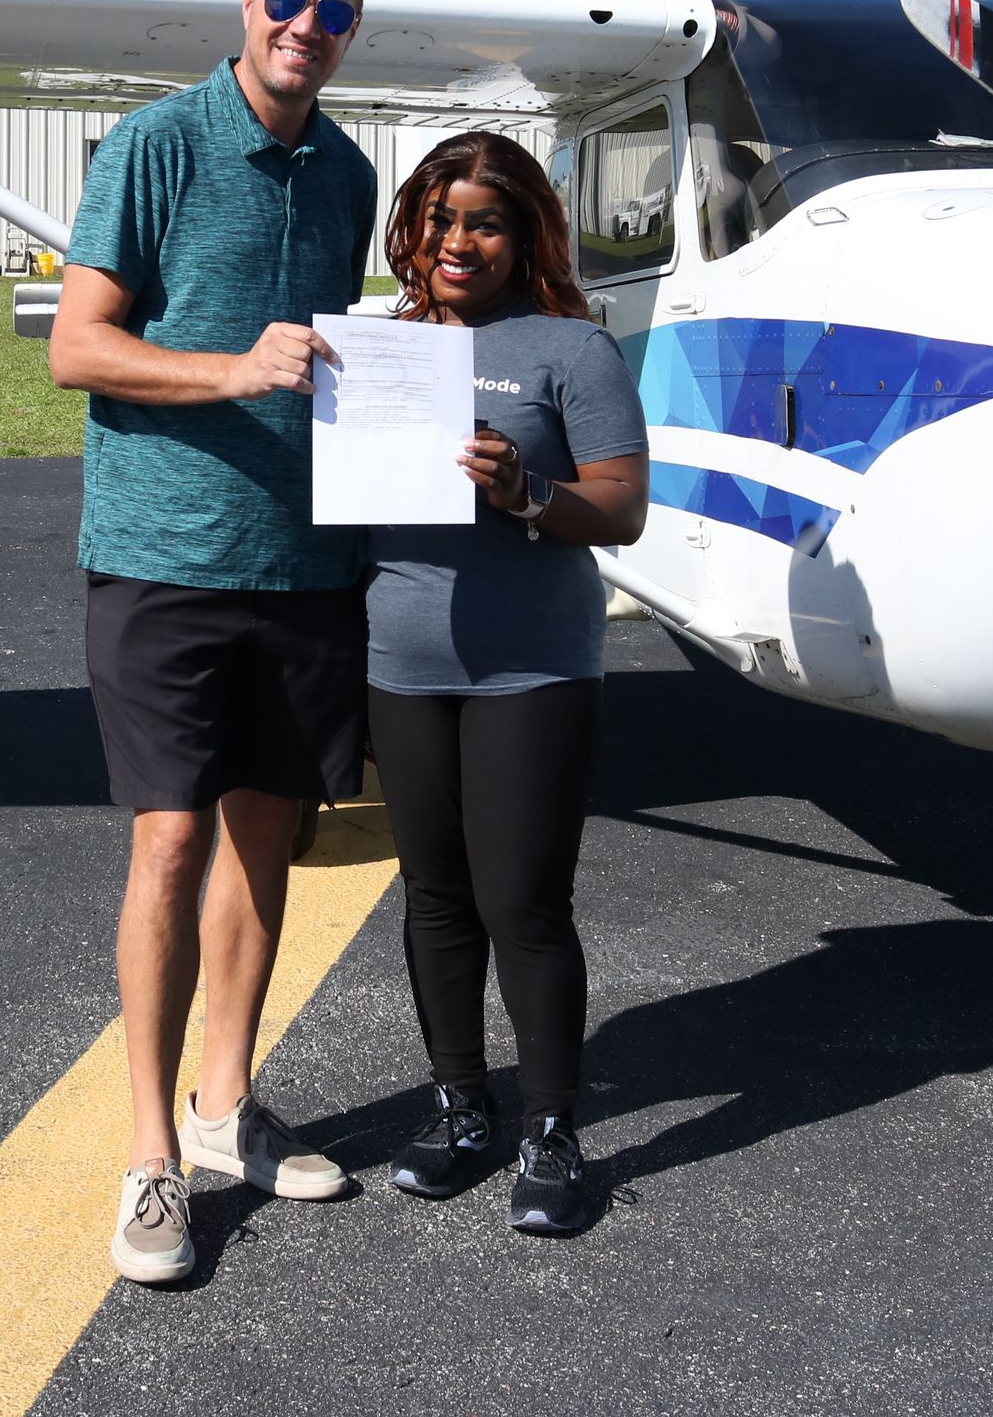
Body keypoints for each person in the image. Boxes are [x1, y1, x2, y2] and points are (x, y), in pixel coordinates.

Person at [47, 0, 381, 1286]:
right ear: (248, 1)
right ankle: (151, 1154)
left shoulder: (349, 173)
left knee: (266, 839)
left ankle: (226, 1103)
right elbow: (78, 346)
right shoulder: (156, 145)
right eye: (289, 0)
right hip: (165, 556)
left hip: (305, 565)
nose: (307, 27)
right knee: (171, 841)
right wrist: (233, 370)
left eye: (335, 13)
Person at [363, 132, 648, 1237]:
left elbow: (621, 509)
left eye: (483, 222)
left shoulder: (572, 349)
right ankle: (461, 1108)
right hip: (400, 662)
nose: (457, 242)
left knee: (521, 902)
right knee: (434, 896)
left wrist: (527, 489)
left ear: (525, 233)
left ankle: (551, 1130)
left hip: (532, 668)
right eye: (440, 219)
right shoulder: (377, 349)